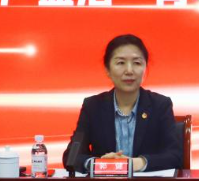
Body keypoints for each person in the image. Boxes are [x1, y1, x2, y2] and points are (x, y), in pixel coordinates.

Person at [62, 34, 182, 173]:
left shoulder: (160, 105)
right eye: (120, 63)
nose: (129, 71)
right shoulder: (93, 106)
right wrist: (99, 164)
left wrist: (138, 163)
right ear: (107, 70)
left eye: (137, 63)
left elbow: (175, 156)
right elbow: (71, 157)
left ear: (145, 68)